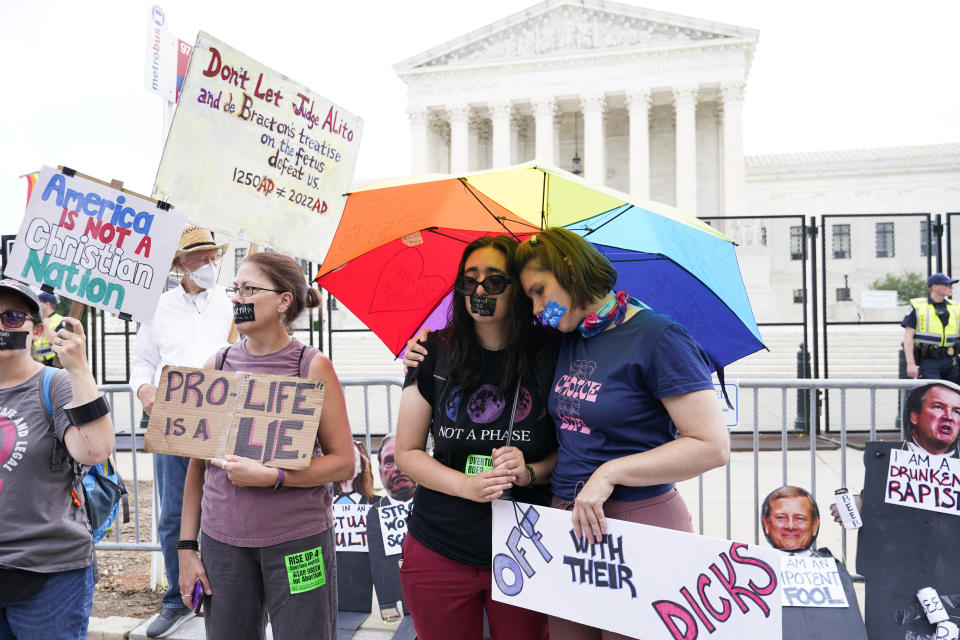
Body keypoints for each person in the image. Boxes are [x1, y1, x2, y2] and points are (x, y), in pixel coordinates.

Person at [514, 228, 729, 640]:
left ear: (570, 269)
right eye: (531, 300)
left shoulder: (658, 336)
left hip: (639, 520)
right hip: (567, 524)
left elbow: (712, 446)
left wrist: (610, 473)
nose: (540, 309)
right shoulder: (566, 336)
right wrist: (429, 347)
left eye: (540, 291)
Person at [177, 251, 354, 640]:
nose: (237, 297)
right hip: (223, 545)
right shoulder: (217, 366)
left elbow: (344, 464)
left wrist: (274, 476)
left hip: (298, 542)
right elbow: (196, 468)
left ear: (284, 300)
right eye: (235, 289)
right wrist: (186, 549)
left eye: (249, 289)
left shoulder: (311, 366)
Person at [395, 235, 557, 640]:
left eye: (494, 281)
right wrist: (465, 486)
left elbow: (571, 448)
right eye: (469, 281)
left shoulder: (552, 352)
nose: (479, 290)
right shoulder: (432, 350)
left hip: (527, 547)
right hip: (440, 545)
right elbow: (407, 451)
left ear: (516, 289)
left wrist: (531, 471)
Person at [129, 225, 233, 638]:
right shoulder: (158, 309)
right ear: (179, 265)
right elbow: (142, 361)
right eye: (200, 257)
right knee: (173, 512)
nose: (208, 264)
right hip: (173, 420)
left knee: (227, 509)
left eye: (212, 256)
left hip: (224, 418)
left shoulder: (232, 304)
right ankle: (179, 598)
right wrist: (144, 389)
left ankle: (224, 598)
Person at [0, 278, 115, 639]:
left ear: (35, 332)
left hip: (49, 571)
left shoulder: (56, 384)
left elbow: (94, 450)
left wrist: (78, 368)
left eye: (12, 318)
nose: (1, 326)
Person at [902, 272, 960, 383]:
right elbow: (908, 336)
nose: (951, 287)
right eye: (947, 284)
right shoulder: (918, 306)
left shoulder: (956, 307)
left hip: (952, 360)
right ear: (934, 287)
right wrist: (911, 364)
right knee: (932, 395)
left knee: (955, 396)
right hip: (929, 360)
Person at [761, 486, 820, 553]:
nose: (790, 526)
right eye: (781, 517)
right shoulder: (751, 563)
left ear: (814, 525)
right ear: (766, 524)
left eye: (799, 518)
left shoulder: (831, 562)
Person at [334, 440, 375, 504]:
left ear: (361, 468)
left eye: (353, 459)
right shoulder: (322, 500)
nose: (347, 463)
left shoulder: (374, 503)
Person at [31, 291, 63, 366]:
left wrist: (45, 325)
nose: (37, 305)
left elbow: (59, 343)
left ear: (47, 304)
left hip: (53, 363)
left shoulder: (60, 320)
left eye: (39, 302)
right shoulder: (37, 320)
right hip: (37, 362)